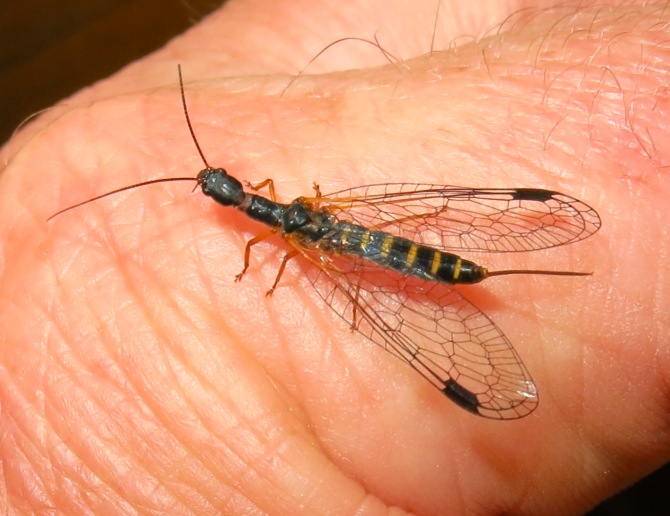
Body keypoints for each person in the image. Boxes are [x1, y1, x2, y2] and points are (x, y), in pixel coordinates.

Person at [1, 0, 667, 513]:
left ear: (237, 196)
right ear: (239, 197)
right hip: (352, 236)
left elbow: (291, 255)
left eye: (224, 187)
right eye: (225, 192)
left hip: (354, 244)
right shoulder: (287, 213)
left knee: (366, 266)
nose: (228, 191)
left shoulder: (275, 232)